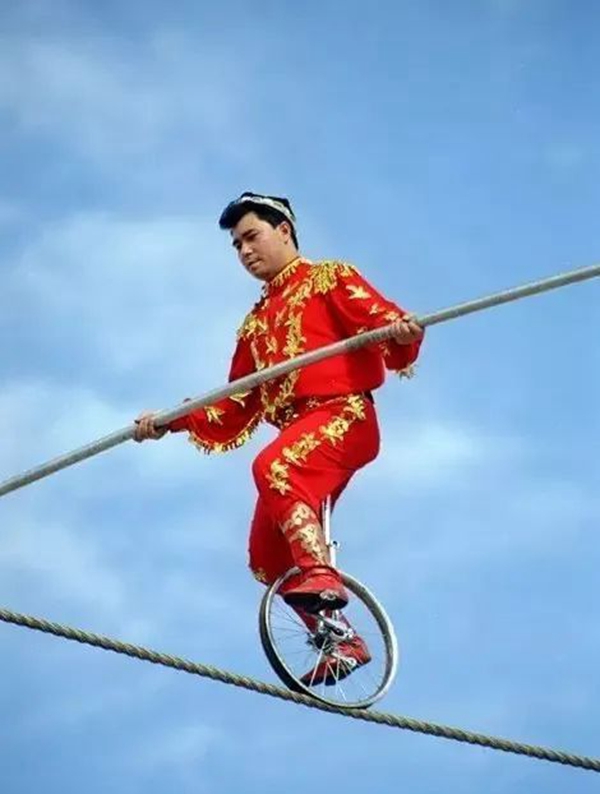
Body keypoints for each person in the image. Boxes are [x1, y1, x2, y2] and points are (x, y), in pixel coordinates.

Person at [134, 192, 424, 685]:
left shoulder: (329, 278)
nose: (245, 251)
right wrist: (171, 420)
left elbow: (383, 323)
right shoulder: (254, 325)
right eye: (237, 245)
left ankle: (322, 576)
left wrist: (401, 333)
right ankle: (339, 638)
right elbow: (233, 405)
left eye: (252, 236)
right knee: (267, 554)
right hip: (299, 432)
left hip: (344, 414)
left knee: (276, 466)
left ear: (284, 231)